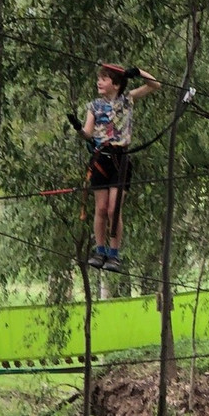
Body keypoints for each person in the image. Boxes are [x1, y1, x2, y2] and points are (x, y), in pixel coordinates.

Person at [71, 62, 160, 272]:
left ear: (116, 83)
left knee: (114, 209)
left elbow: (154, 85)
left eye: (104, 79)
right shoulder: (94, 106)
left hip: (120, 158)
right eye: (98, 78)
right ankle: (99, 250)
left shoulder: (127, 99)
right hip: (101, 158)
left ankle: (114, 254)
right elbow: (88, 133)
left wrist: (139, 72)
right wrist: (78, 128)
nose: (99, 82)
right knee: (101, 209)